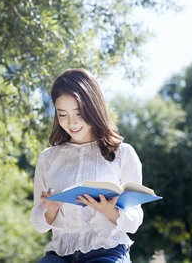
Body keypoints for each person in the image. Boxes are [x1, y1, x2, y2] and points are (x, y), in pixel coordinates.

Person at [30, 69, 144, 263]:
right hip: (60, 254)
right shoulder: (48, 158)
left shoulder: (123, 153)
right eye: (62, 114)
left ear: (93, 108)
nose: (71, 122)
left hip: (107, 251)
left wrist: (109, 211)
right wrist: (51, 209)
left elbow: (135, 219)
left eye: (79, 113)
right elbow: (38, 223)